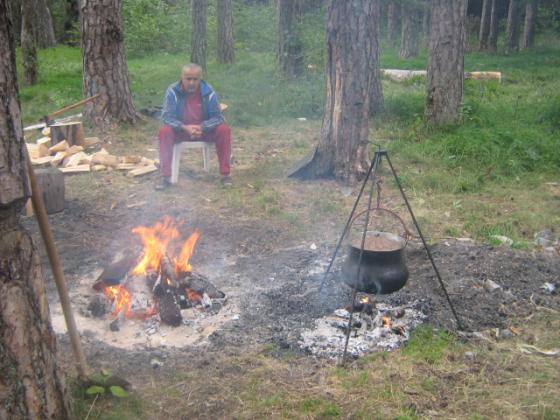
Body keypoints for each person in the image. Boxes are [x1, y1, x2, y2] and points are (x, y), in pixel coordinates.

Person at [156, 63, 232, 190]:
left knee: (224, 129)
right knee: (164, 131)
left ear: (200, 78)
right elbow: (166, 117)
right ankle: (166, 177)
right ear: (182, 78)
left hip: (204, 130)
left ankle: (225, 175)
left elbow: (218, 117)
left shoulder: (209, 91)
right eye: (188, 79)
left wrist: (202, 127)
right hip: (182, 130)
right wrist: (184, 127)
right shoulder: (173, 91)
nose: (191, 82)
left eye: (195, 79)